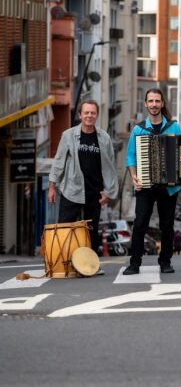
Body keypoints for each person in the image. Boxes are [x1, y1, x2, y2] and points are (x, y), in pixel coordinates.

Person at [122, 88, 181, 275]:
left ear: (162, 104)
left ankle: (165, 262)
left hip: (169, 187)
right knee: (140, 223)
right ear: (146, 104)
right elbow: (130, 157)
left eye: (157, 101)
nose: (154, 104)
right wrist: (134, 176)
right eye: (150, 101)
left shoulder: (174, 128)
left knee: (167, 224)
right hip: (145, 184)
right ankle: (134, 263)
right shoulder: (138, 129)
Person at [48, 100, 119, 274]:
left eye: (92, 113)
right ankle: (64, 264)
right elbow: (58, 162)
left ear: (96, 115)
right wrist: (51, 186)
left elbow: (110, 165)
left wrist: (108, 192)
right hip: (71, 190)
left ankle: (91, 266)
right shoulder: (68, 135)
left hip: (94, 193)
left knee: (91, 233)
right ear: (80, 115)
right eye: (86, 113)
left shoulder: (104, 138)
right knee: (65, 229)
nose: (89, 116)